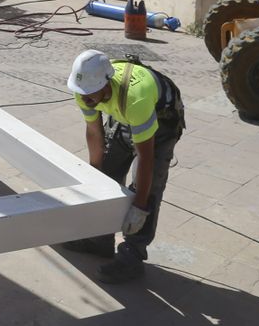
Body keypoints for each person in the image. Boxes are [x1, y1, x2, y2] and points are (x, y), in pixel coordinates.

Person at [63, 48, 185, 283]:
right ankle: (100, 241)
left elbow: (146, 156)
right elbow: (94, 132)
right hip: (124, 114)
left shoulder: (135, 98)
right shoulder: (84, 90)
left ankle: (132, 256)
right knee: (107, 176)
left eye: (90, 93)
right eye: (82, 93)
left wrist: (139, 205)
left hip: (161, 122)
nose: (85, 98)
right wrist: (95, 181)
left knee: (147, 189)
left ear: (106, 84)